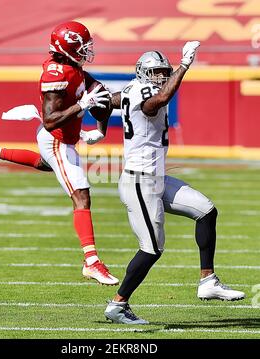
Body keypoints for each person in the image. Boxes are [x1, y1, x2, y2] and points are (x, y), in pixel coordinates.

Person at [104, 42, 245, 324]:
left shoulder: (132, 89)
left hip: (156, 178)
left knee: (206, 211)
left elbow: (111, 100)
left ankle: (208, 281)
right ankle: (118, 305)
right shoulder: (147, 93)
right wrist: (184, 66)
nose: (160, 77)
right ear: (143, 73)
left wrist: (97, 126)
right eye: (156, 72)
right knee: (152, 248)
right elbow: (154, 103)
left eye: (163, 72)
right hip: (139, 183)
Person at [0, 21, 119, 286]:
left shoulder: (73, 67)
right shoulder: (56, 74)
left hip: (61, 139)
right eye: (83, 48)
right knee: (81, 195)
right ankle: (92, 262)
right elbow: (51, 121)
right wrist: (82, 106)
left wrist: (101, 126)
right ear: (68, 48)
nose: (87, 52)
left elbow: (100, 93)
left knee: (45, 164)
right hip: (55, 139)